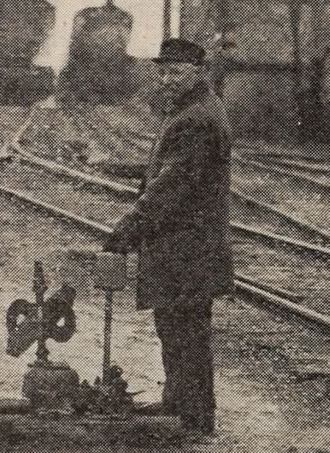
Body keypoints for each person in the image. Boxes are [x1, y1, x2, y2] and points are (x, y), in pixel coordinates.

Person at [103, 38, 233, 434]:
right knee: (182, 333)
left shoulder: (194, 118)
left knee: (183, 334)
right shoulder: (197, 111)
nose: (166, 80)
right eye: (163, 71)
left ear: (198, 72)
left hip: (185, 248)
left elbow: (171, 187)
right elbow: (171, 174)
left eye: (175, 72)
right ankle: (184, 410)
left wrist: (128, 228)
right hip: (190, 247)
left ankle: (190, 419)